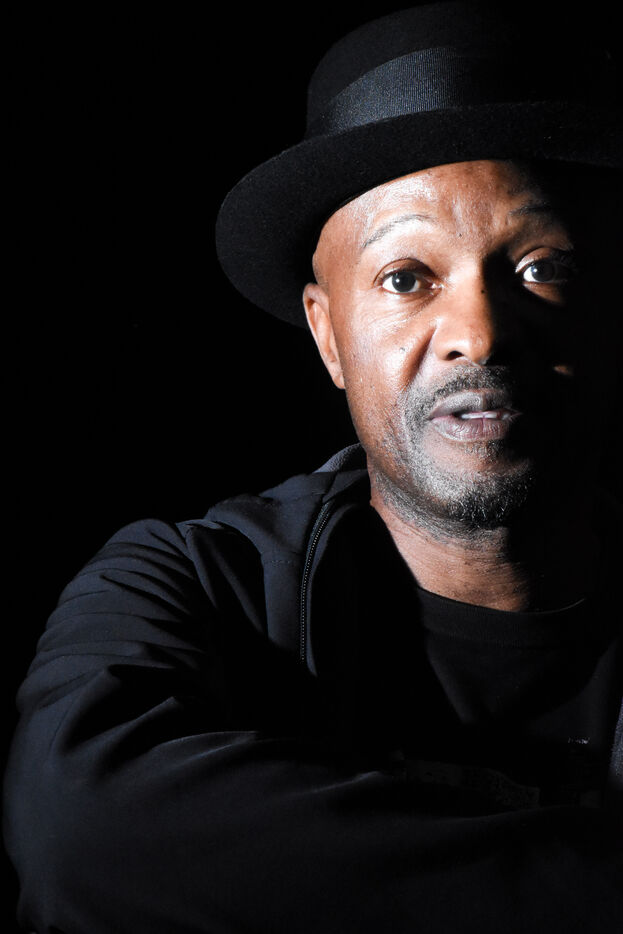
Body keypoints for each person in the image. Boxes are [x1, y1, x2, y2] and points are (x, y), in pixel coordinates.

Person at [4, 2, 622, 932]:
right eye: (406, 279)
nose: (480, 333)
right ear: (328, 336)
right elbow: (82, 838)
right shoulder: (192, 587)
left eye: (543, 267)